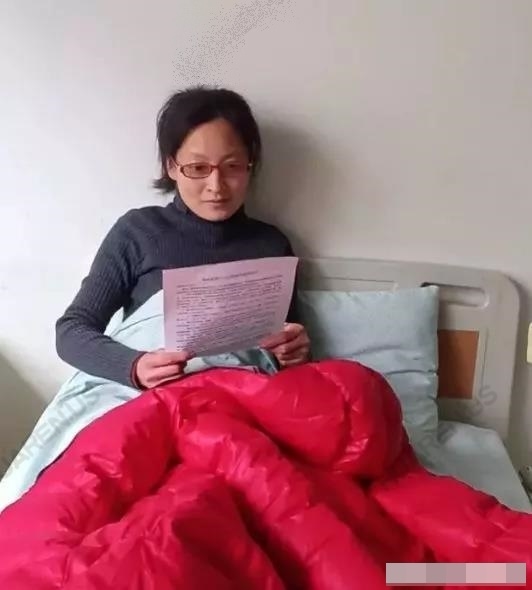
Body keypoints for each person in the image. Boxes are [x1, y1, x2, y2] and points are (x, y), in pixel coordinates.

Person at [55, 86, 310, 390]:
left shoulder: (271, 244)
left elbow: (286, 349)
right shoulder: (138, 232)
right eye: (198, 168)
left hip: (246, 395)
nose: (216, 186)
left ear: (250, 164)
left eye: (232, 166)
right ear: (171, 167)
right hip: (162, 397)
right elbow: (71, 331)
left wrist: (296, 351)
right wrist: (134, 366)